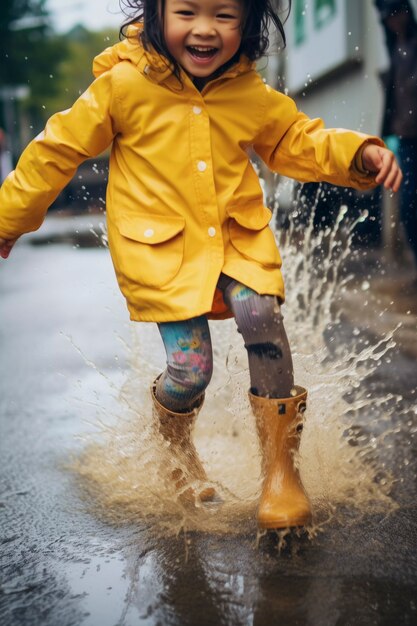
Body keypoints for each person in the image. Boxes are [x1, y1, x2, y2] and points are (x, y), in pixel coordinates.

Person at [0, 0, 402, 530]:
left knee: (263, 321)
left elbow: (295, 139)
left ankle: (282, 473)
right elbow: (56, 151)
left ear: (251, 21)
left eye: (225, 16)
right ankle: (177, 450)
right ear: (157, 12)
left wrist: (356, 155)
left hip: (238, 240)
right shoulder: (123, 86)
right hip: (164, 252)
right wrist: (9, 218)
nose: (205, 30)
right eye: (187, 12)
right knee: (192, 371)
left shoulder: (249, 91)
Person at [375, 0, 417, 269]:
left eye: (395, 14)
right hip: (405, 140)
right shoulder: (394, 48)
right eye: (388, 17)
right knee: (409, 206)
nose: (393, 21)